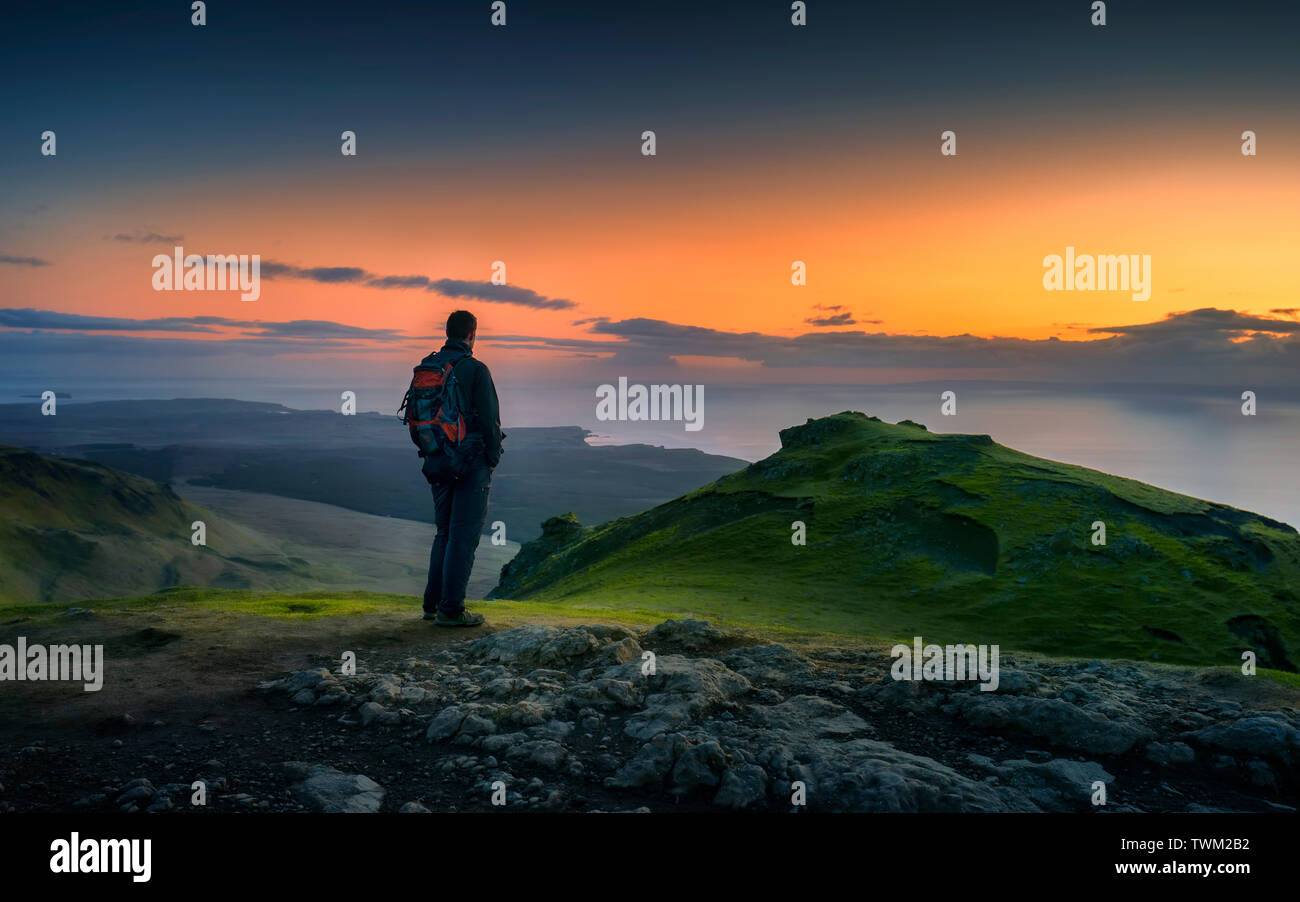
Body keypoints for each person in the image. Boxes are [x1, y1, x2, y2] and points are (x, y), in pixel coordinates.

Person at [417, 310, 503, 626]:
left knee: (444, 533)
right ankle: (451, 611)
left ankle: (431, 605)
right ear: (472, 335)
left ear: (448, 332)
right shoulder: (475, 369)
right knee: (463, 536)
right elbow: (491, 421)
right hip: (470, 463)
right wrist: (492, 458)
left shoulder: (431, 366)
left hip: (436, 459)